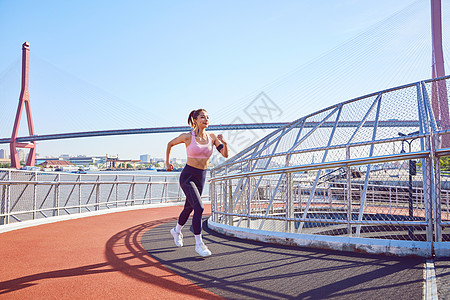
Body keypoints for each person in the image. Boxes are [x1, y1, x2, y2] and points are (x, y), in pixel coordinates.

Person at [166, 109, 229, 256]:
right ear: (195, 120)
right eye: (202, 117)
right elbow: (170, 144)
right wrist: (167, 163)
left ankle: (176, 231)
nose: (206, 119)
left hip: (201, 177)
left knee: (189, 208)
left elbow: (225, 154)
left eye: (207, 117)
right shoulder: (188, 137)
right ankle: (199, 244)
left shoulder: (212, 137)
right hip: (187, 176)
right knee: (199, 208)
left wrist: (224, 141)